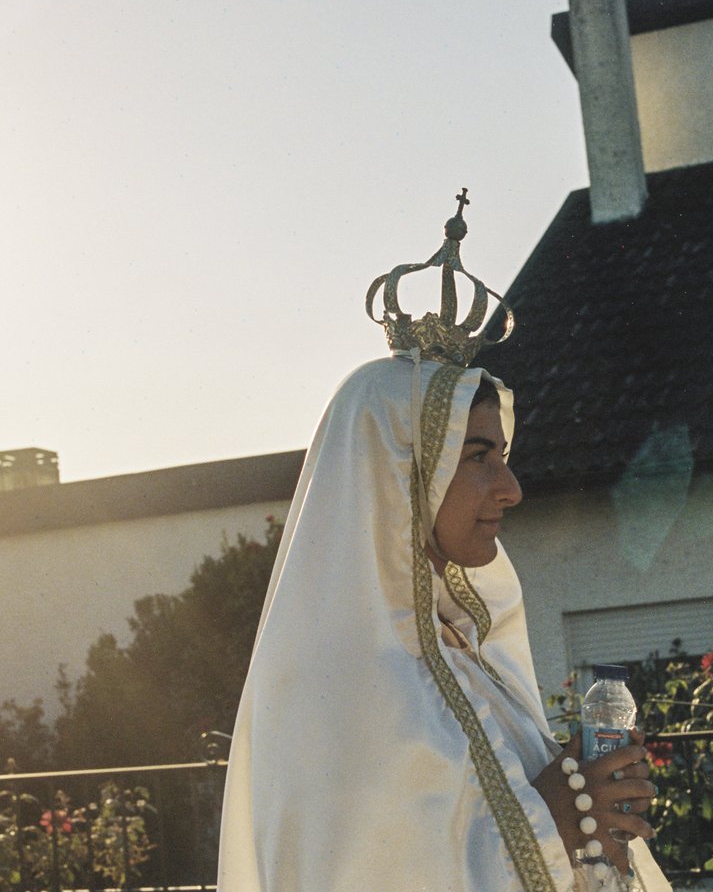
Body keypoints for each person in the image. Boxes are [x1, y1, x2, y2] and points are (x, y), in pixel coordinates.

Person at [219, 201, 674, 891]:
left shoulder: (467, 655)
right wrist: (557, 810)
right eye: (477, 457)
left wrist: (594, 814)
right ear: (401, 473)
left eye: (504, 454)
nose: (511, 487)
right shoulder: (332, 687)